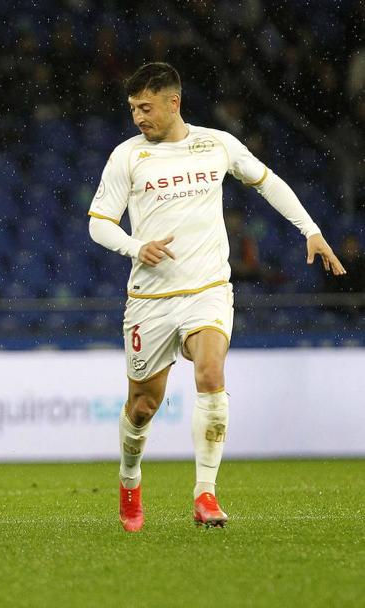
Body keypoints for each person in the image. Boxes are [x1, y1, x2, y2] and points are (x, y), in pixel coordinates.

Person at [87, 62, 346, 532]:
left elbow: (268, 181)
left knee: (210, 373)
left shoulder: (216, 144)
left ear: (173, 102)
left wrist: (311, 231)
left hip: (207, 289)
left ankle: (205, 493)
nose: (138, 118)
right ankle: (129, 478)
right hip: (150, 299)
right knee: (143, 407)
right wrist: (134, 245)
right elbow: (98, 222)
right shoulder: (127, 156)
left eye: (145, 108)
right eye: (132, 109)